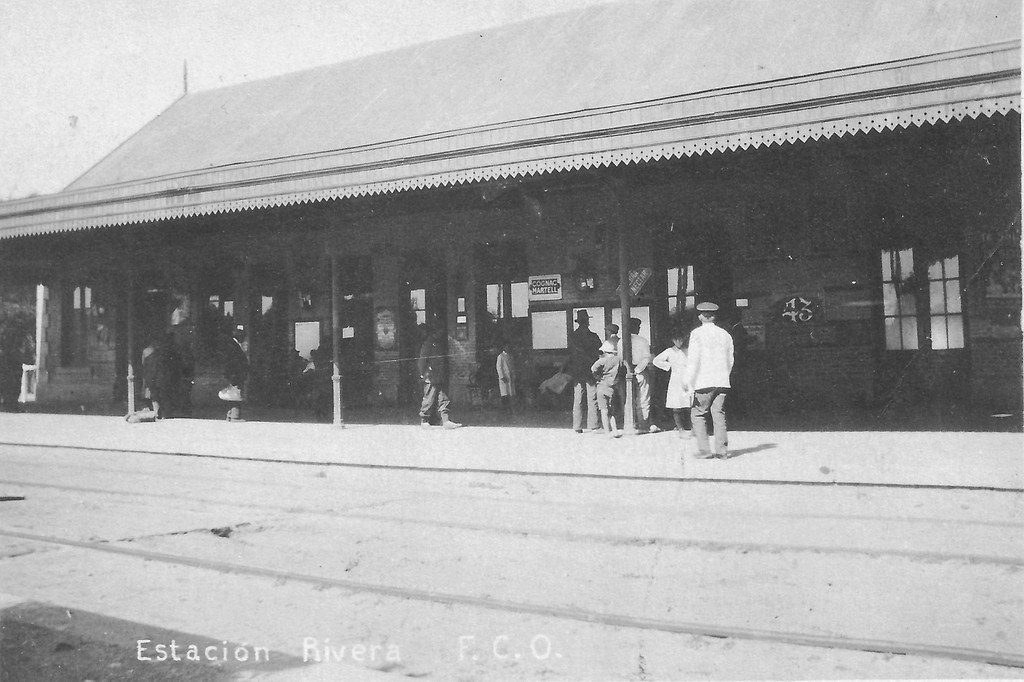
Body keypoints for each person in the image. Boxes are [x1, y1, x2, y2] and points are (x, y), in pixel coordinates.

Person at [685, 302, 735, 458]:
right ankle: (722, 451)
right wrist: (724, 375)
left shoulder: (696, 334)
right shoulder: (725, 334)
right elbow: (730, 359)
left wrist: (688, 381)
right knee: (719, 414)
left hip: (703, 381)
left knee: (698, 414)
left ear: (700, 316)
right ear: (715, 316)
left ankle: (704, 451)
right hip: (722, 381)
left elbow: (693, 360)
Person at [418, 324, 462, 428]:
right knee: (429, 398)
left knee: (443, 397)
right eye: (439, 332)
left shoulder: (439, 344)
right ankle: (424, 420)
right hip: (431, 376)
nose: (441, 334)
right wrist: (422, 373)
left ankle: (445, 420)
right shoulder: (428, 344)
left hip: (440, 375)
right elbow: (422, 360)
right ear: (435, 332)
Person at [619, 317, 657, 433]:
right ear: (636, 328)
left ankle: (630, 422)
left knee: (628, 398)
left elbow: (620, 358)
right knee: (643, 398)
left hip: (626, 372)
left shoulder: (621, 341)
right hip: (640, 371)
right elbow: (646, 358)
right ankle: (643, 423)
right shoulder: (642, 340)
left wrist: (629, 370)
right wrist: (638, 370)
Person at [653, 329, 692, 439]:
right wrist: (668, 366)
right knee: (676, 405)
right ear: (673, 340)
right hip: (675, 379)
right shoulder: (669, 351)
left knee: (689, 404)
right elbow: (656, 360)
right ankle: (680, 429)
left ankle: (691, 427)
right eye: (676, 340)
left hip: (687, 378)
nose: (679, 342)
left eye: (681, 339)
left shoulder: (688, 350)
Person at [567, 310, 602, 433]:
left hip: (577, 372)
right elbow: (599, 352)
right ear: (587, 321)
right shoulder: (593, 336)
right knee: (592, 397)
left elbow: (570, 355)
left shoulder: (572, 336)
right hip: (590, 371)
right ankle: (593, 425)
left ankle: (577, 426)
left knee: (578, 399)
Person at [590, 340, 623, 438]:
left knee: (604, 411)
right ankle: (615, 430)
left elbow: (593, 369)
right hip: (612, 387)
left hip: (602, 386)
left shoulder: (602, 361)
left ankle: (607, 432)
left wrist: (597, 377)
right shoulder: (618, 360)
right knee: (612, 411)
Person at [223, 325, 250, 422]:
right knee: (236, 393)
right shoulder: (233, 345)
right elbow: (233, 361)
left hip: (235, 373)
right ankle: (235, 416)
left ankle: (230, 414)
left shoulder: (235, 344)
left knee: (232, 393)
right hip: (235, 374)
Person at [495, 341, 516, 411]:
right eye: (506, 346)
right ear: (504, 347)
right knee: (505, 393)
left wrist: (514, 374)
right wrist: (502, 377)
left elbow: (512, 367)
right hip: (504, 377)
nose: (508, 347)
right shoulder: (500, 356)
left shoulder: (510, 356)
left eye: (509, 346)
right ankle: (505, 409)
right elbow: (499, 367)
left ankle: (510, 408)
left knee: (511, 393)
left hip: (510, 377)